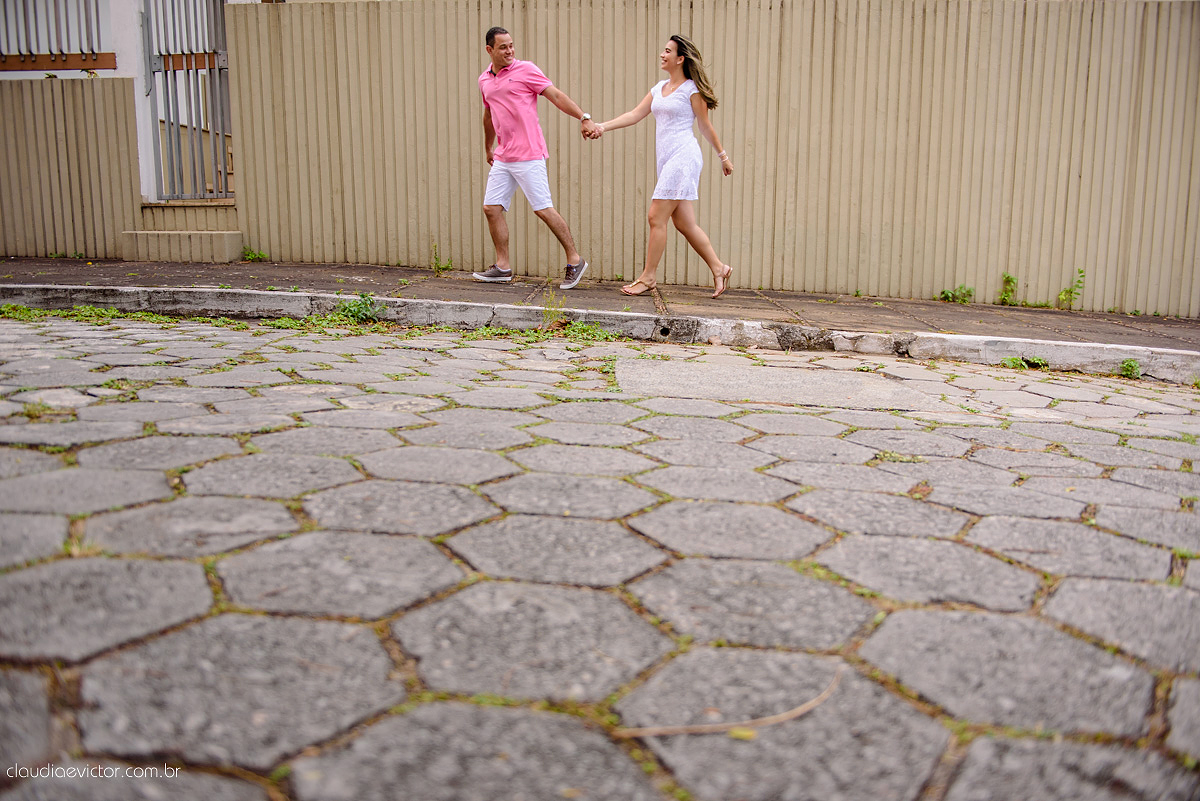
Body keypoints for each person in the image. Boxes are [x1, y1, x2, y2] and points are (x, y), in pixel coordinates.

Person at [589, 35, 734, 298]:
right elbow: (634, 114)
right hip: (667, 159)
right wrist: (602, 126)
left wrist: (723, 157)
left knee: (656, 217)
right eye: (663, 50)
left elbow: (704, 126)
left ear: (680, 59)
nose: (662, 54)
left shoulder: (692, 90)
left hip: (684, 157)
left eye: (667, 51)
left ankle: (648, 277)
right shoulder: (659, 88)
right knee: (684, 223)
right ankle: (719, 267)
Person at [474, 26, 597, 290]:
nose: (510, 51)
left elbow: (555, 95)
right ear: (489, 50)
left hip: (529, 154)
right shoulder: (484, 79)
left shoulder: (526, 70)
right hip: (504, 156)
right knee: (491, 208)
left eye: (511, 45)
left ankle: (575, 260)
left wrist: (583, 117)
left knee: (542, 208)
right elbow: (488, 115)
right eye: (503, 47)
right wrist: (488, 147)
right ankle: (503, 266)